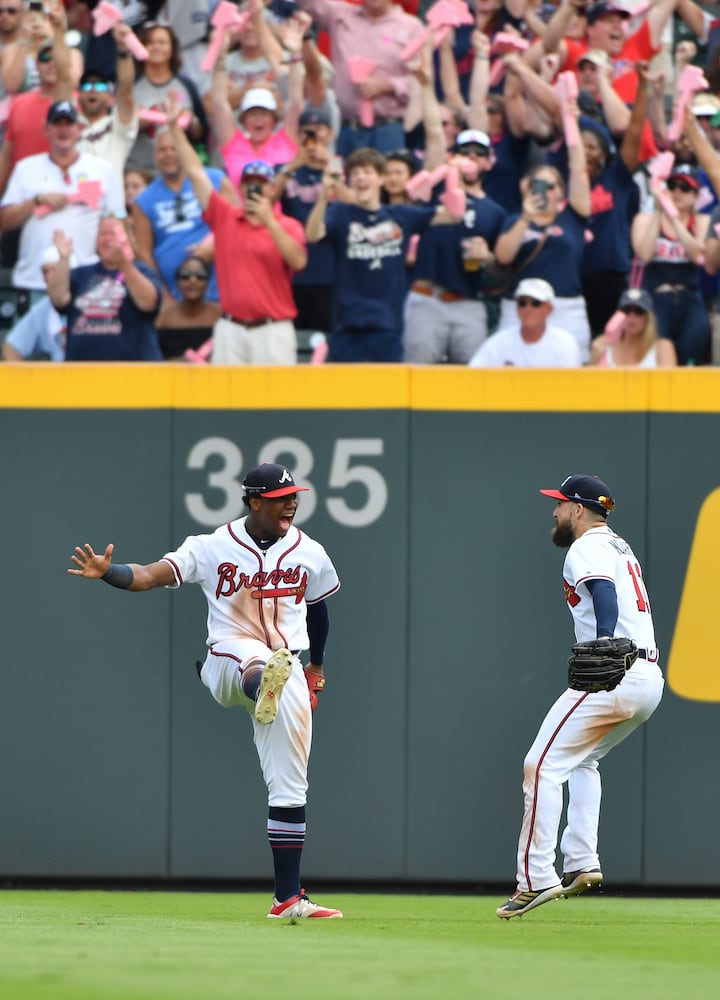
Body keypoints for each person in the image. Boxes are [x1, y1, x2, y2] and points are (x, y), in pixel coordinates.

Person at [68, 461, 343, 921]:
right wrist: (108, 570)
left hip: (291, 666)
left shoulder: (309, 551)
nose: (291, 502)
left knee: (291, 784)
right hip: (227, 661)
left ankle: (287, 898)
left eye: (294, 495)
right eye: (280, 497)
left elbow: (319, 613)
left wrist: (316, 668)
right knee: (255, 661)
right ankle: (262, 686)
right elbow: (151, 575)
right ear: (254, 501)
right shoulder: (213, 546)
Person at [496, 473, 664, 919]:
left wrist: (603, 644)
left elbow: (604, 594)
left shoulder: (586, 546)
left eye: (559, 504)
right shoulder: (618, 545)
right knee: (582, 760)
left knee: (541, 765)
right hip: (647, 679)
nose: (554, 511)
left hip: (616, 672)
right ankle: (583, 860)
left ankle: (535, 879)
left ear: (577, 509)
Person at [165, 94, 307, 365]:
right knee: (227, 406)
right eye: (248, 184)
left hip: (272, 328)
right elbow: (196, 172)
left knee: (276, 404)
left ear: (273, 188)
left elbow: (298, 261)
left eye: (261, 184)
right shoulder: (226, 216)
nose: (254, 189)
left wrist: (269, 221)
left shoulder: (288, 225)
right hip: (230, 327)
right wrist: (174, 130)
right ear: (240, 188)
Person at [305, 145, 458, 363]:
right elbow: (312, 235)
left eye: (367, 172)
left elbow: (453, 215)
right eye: (355, 173)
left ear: (381, 179)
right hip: (347, 325)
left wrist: (447, 175)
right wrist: (323, 195)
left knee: (386, 397)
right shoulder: (340, 213)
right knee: (344, 396)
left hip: (387, 326)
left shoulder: (401, 215)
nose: (360, 178)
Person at [0, 99, 125, 304]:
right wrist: (37, 201)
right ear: (46, 130)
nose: (63, 130)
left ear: (79, 129)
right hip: (34, 280)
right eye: (57, 123)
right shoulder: (26, 168)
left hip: (85, 279)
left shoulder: (102, 169)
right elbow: (5, 220)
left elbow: (117, 219)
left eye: (69, 124)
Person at [403, 128, 507, 364]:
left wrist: (488, 257)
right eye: (464, 152)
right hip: (428, 297)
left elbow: (501, 272)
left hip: (468, 301)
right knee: (417, 376)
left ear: (488, 162)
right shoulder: (434, 191)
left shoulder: (495, 212)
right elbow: (433, 139)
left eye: (478, 154)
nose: (471, 158)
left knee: (472, 380)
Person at [295, 0, 425, 158]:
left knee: (389, 178)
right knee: (343, 179)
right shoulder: (341, 16)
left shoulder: (411, 27)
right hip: (348, 127)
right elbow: (309, 4)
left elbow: (423, 80)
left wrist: (387, 85)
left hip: (389, 127)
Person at [132, 127, 234, 304]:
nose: (168, 154)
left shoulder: (215, 180)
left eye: (174, 148)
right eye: (162, 150)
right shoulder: (143, 200)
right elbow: (144, 253)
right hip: (174, 296)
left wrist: (216, 242)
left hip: (221, 289)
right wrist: (164, 299)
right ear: (155, 155)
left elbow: (238, 222)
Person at [45, 217, 163, 361]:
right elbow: (58, 299)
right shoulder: (80, 274)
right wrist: (63, 259)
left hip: (132, 373)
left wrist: (124, 264)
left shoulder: (143, 271)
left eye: (113, 233)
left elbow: (148, 303)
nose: (107, 239)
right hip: (83, 372)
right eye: (103, 234)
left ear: (128, 238)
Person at [631, 163, 711, 366]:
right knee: (662, 361)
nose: (677, 192)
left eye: (685, 188)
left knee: (689, 361)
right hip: (656, 299)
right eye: (671, 186)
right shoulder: (644, 219)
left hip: (690, 299)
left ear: (695, 196)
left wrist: (675, 219)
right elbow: (645, 254)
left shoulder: (702, 221)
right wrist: (660, 211)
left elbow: (697, 255)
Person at [125, 20, 208, 173]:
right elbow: (118, 129)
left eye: (162, 42)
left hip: (181, 170)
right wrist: (136, 124)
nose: (156, 47)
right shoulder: (130, 87)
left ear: (172, 48)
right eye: (150, 42)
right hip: (140, 170)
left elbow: (201, 134)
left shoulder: (186, 85)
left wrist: (190, 122)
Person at [76, 23, 139, 187]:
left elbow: (125, 90)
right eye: (86, 86)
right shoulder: (66, 125)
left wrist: (123, 49)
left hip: (110, 209)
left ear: (110, 96)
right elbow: (62, 79)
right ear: (78, 95)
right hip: (74, 208)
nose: (93, 90)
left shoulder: (118, 127)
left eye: (100, 86)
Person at [469, 277, 582, 367]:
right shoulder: (498, 342)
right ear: (517, 308)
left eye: (536, 303)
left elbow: (570, 385)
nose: (528, 309)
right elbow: (474, 375)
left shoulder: (565, 342)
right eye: (522, 303)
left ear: (549, 309)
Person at [1, 246, 67, 361]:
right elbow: (11, 347)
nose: (49, 276)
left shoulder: (89, 303)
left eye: (54, 270)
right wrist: (23, 378)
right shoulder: (44, 308)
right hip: (58, 376)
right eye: (46, 271)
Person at [154, 255, 221, 360]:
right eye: (185, 276)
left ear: (207, 283)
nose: (192, 280)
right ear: (177, 282)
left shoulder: (220, 315)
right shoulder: (163, 319)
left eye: (200, 276)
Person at [590, 288, 677, 368]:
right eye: (626, 311)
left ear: (648, 317)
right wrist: (594, 359)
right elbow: (590, 382)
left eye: (638, 311)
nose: (632, 316)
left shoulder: (662, 348)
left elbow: (669, 383)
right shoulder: (603, 347)